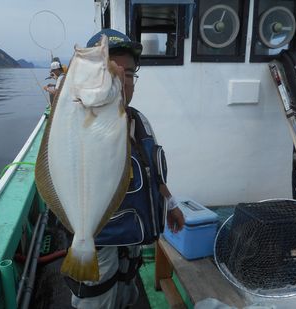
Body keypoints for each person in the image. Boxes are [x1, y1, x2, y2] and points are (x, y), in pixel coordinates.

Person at [64, 29, 185, 309]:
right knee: (98, 298)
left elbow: (152, 170)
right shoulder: (81, 122)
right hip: (99, 241)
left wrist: (171, 203)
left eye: (129, 74)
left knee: (128, 290)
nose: (123, 80)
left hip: (132, 237)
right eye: (113, 72)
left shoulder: (139, 121)